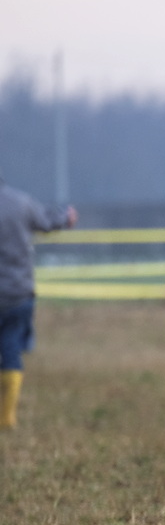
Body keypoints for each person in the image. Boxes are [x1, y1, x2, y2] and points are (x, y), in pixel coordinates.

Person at [0, 176, 77, 431]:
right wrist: (67, 217)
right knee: (11, 349)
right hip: (18, 292)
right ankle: (6, 416)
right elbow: (47, 221)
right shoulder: (21, 203)